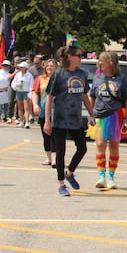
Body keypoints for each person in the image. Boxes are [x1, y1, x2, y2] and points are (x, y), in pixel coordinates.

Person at [43, 44, 94, 196]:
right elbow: (49, 98)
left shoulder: (82, 74)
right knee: (60, 152)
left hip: (75, 118)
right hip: (59, 118)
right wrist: (47, 120)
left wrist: (91, 115)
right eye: (78, 55)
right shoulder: (59, 74)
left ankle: (70, 172)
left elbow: (85, 96)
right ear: (70, 57)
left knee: (82, 148)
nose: (81, 58)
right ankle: (61, 184)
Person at [90, 51, 127, 190]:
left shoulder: (121, 79)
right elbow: (92, 97)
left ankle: (111, 177)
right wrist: (91, 114)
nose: (100, 63)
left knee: (114, 145)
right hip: (100, 115)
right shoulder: (97, 78)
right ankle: (101, 176)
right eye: (100, 61)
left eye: (103, 61)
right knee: (100, 144)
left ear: (111, 63)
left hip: (116, 115)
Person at [32, 58, 57, 166]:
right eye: (47, 66)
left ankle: (55, 159)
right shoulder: (40, 79)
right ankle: (48, 158)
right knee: (46, 135)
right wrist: (35, 105)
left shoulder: (60, 79)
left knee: (55, 136)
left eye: (52, 66)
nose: (49, 68)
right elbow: (35, 92)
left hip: (57, 111)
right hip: (43, 110)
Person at [11, 61, 34, 128]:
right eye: (20, 67)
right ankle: (21, 121)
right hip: (19, 92)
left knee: (26, 107)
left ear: (25, 68)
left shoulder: (29, 75)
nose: (20, 68)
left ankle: (27, 122)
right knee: (20, 107)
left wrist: (30, 94)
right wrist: (16, 85)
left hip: (26, 92)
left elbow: (31, 85)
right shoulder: (18, 75)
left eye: (22, 67)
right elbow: (13, 83)